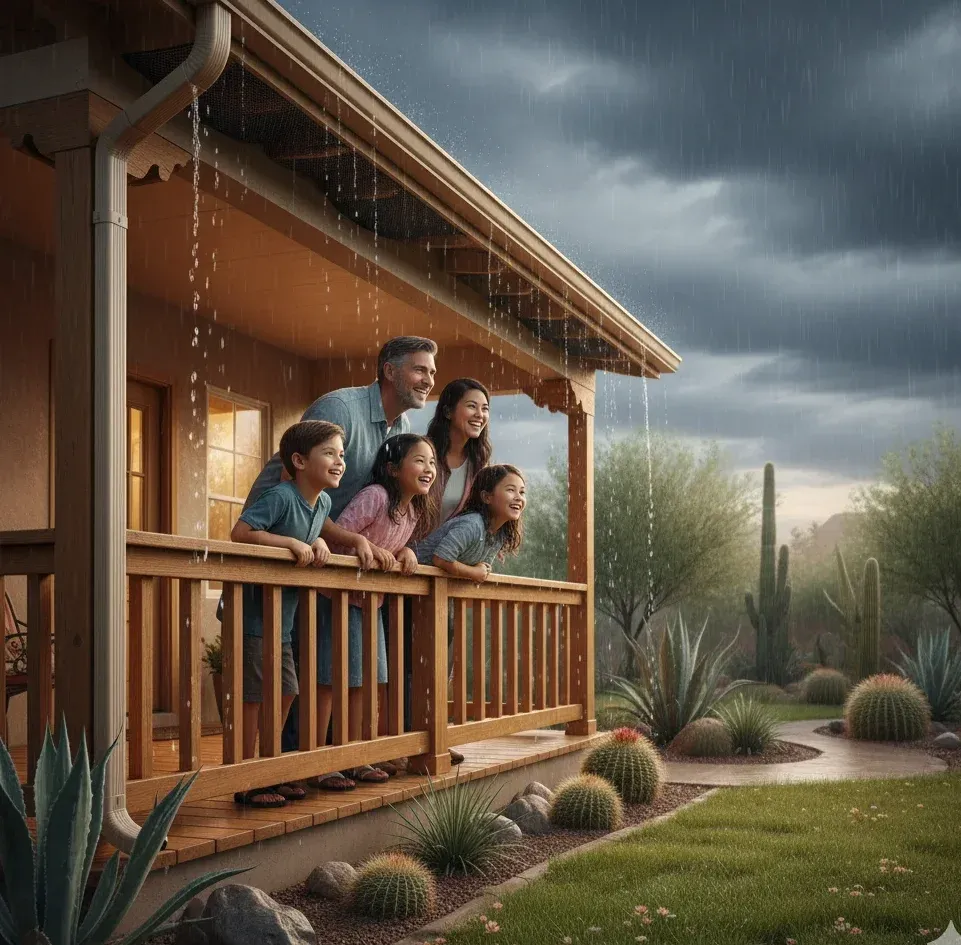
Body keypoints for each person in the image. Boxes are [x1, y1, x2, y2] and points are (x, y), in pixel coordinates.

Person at [234, 336, 438, 752]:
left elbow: (366, 505)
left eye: (432, 372)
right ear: (389, 371)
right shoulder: (340, 409)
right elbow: (298, 489)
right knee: (295, 674)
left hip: (331, 559)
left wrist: (390, 546)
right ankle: (281, 766)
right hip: (279, 553)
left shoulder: (400, 430)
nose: (428, 379)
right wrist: (348, 539)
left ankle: (316, 761)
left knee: (315, 672)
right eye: (420, 369)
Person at [309, 434, 438, 790]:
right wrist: (360, 543)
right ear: (393, 469)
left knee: (368, 680)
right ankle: (318, 760)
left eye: (432, 463)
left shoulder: (411, 510)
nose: (428, 469)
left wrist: (406, 553)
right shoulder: (376, 496)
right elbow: (335, 532)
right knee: (331, 680)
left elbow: (390, 546)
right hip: (337, 597)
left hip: (369, 604)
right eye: (419, 461)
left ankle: (355, 755)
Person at [229, 420, 343, 808]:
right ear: (298, 460)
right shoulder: (281, 496)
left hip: (283, 620)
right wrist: (291, 543)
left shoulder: (322, 503)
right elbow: (241, 533)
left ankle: (268, 769)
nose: (339, 460)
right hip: (254, 616)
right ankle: (244, 778)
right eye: (329, 453)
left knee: (286, 692)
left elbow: (311, 534)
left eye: (341, 454)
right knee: (254, 696)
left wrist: (319, 541)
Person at [415, 463, 526, 579]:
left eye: (522, 492)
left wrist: (479, 571)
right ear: (487, 497)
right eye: (511, 490)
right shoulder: (472, 524)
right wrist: (474, 573)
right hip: (409, 578)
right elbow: (441, 559)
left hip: (434, 589)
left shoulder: (500, 534)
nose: (519, 497)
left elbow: (483, 568)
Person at [425, 378, 492, 528]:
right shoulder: (422, 453)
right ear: (448, 412)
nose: (480, 415)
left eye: (485, 409)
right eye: (472, 406)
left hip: (450, 550)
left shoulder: (479, 463)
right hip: (406, 548)